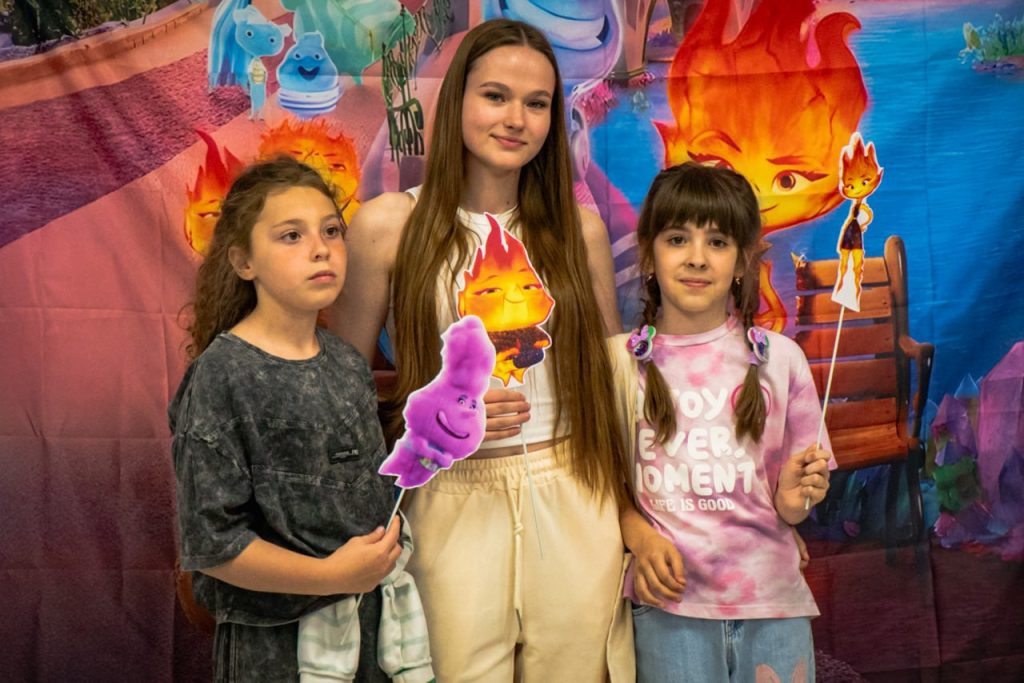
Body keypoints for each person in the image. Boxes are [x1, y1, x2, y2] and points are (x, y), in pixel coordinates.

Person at [331, 18, 634, 683]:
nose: (516, 119)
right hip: (448, 500)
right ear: (458, 100)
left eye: (536, 102)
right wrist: (425, 417)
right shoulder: (388, 226)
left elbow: (613, 385)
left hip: (574, 491)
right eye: (495, 95)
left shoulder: (580, 232)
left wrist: (631, 512)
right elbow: (337, 397)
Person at [170, 157, 417, 682]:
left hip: (368, 636)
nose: (320, 248)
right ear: (244, 262)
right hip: (274, 648)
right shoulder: (225, 375)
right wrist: (328, 575)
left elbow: (368, 496)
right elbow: (212, 544)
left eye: (331, 231)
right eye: (291, 236)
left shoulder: (347, 362)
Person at [610, 163, 834, 683]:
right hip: (669, 610)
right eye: (677, 239)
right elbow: (599, 484)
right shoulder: (616, 363)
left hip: (772, 604)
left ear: (742, 261)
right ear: (648, 253)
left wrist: (799, 497)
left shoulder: (781, 359)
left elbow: (792, 506)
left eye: (717, 241)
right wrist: (640, 538)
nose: (696, 257)